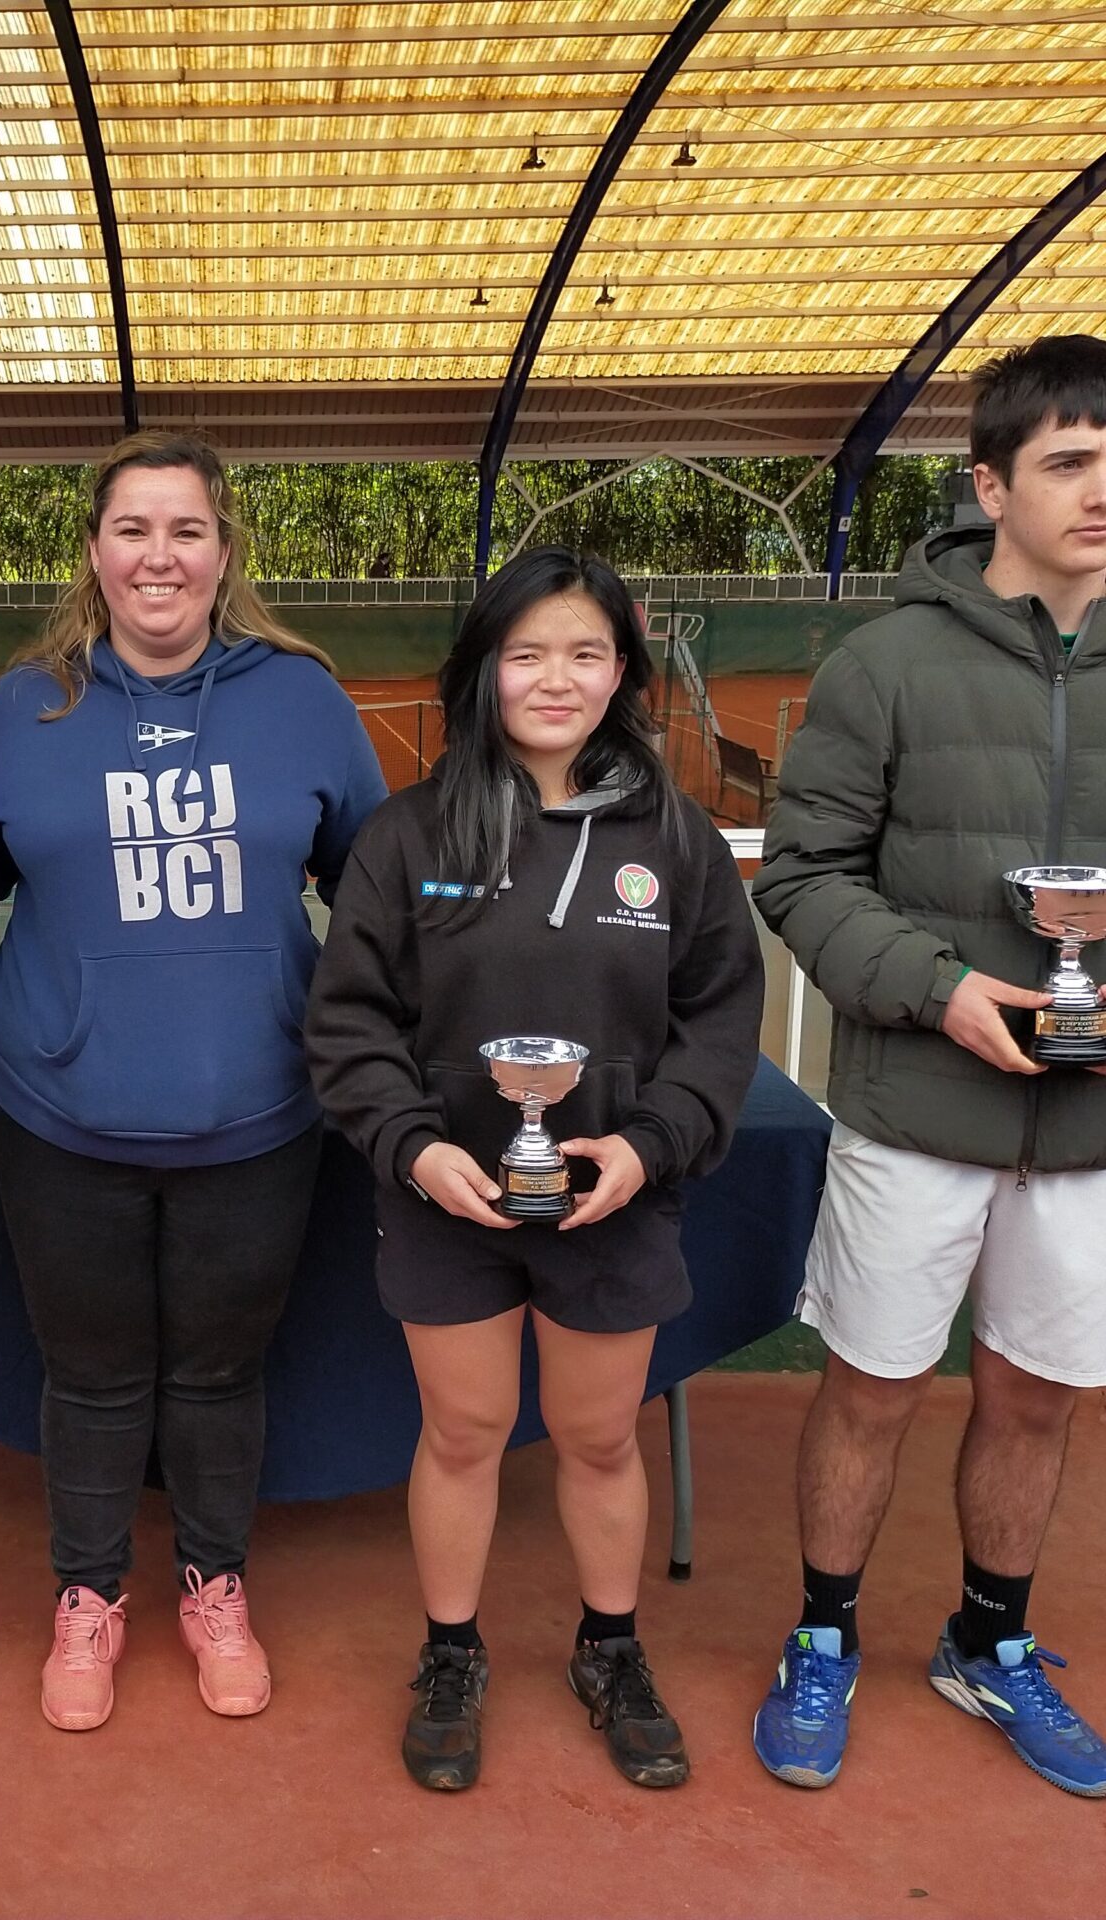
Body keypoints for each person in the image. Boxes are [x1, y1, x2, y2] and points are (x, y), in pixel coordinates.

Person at [306, 547, 762, 1793]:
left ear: (622, 672)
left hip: (614, 1197)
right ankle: (451, 1654)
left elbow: (721, 1020)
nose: (556, 679)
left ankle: (609, 1648)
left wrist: (650, 1144)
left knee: (598, 1436)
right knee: (462, 1431)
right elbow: (350, 1022)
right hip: (447, 1198)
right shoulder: (409, 833)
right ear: (484, 670)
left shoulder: (675, 840)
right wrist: (414, 1147)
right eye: (527, 654)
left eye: (586, 654)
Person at [0, 431, 386, 1730]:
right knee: (89, 1377)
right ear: (95, 551)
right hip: (61, 1114)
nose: (160, 556)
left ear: (223, 550)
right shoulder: (26, 709)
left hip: (256, 1117)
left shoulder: (301, 699)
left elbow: (375, 890)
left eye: (186, 530)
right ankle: (88, 1599)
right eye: (133, 529)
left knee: (216, 1376)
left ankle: (215, 1586)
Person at [750, 334, 1106, 1798]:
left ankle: (990, 1640)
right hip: (916, 1109)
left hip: (1085, 1134)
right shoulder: (885, 664)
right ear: (992, 485)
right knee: (873, 1389)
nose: (1100, 492)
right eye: (1070, 464)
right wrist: (944, 990)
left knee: (1035, 1399)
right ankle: (821, 1634)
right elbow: (802, 875)